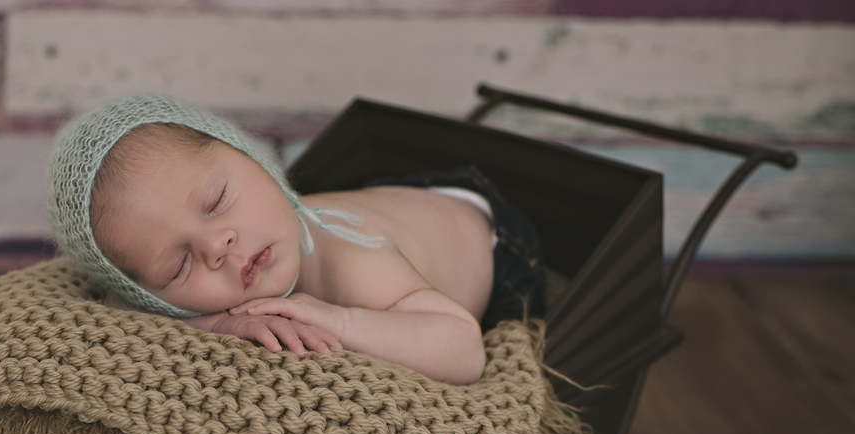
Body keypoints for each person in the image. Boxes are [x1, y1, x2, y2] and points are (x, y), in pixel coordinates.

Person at [47, 94, 546, 386]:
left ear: (253, 159)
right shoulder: (165, 294)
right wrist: (217, 324)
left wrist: (342, 321)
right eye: (178, 267)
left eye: (218, 200)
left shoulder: (353, 262)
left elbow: (463, 349)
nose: (218, 245)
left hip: (495, 245)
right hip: (391, 208)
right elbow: (119, 309)